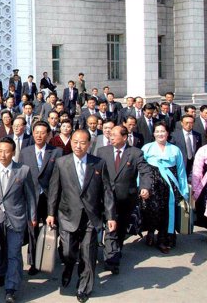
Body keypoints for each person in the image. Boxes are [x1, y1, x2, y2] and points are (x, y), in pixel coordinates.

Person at [46, 130, 116, 303]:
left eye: (82, 142)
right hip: (67, 215)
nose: (78, 146)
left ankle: (84, 287)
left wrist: (110, 216)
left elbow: (107, 192)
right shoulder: (62, 163)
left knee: (88, 254)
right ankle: (69, 267)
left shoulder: (98, 163)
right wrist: (50, 213)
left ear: (89, 144)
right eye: (75, 142)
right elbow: (54, 190)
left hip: (91, 216)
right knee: (68, 251)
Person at [0, 138, 36, 303]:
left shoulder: (23, 171)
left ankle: (11, 288)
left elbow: (30, 197)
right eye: (0, 151)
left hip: (16, 218)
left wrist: (32, 217)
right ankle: (3, 274)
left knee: (13, 253)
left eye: (6, 151)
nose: (2, 155)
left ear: (13, 152)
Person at [96, 126, 151, 274]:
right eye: (110, 134)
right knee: (110, 228)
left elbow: (145, 171)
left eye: (114, 134)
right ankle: (111, 259)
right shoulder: (102, 152)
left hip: (126, 198)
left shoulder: (135, 153)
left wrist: (145, 187)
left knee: (120, 229)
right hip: (106, 198)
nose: (110, 137)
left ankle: (115, 249)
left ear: (125, 137)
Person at [18, 121, 62, 275]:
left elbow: (58, 177)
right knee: (32, 230)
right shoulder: (25, 152)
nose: (39, 135)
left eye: (43, 132)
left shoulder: (56, 152)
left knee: (50, 229)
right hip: (31, 197)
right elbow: (21, 175)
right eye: (36, 132)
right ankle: (33, 262)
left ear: (48, 134)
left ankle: (48, 258)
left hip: (50, 197)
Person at [140, 122, 189, 254]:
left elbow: (181, 171)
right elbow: (141, 169)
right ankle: (150, 232)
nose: (160, 134)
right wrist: (141, 186)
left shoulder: (175, 150)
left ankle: (163, 239)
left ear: (167, 133)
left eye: (163, 131)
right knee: (152, 211)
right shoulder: (147, 148)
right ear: (154, 133)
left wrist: (184, 191)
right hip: (152, 186)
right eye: (157, 131)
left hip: (169, 188)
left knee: (167, 213)